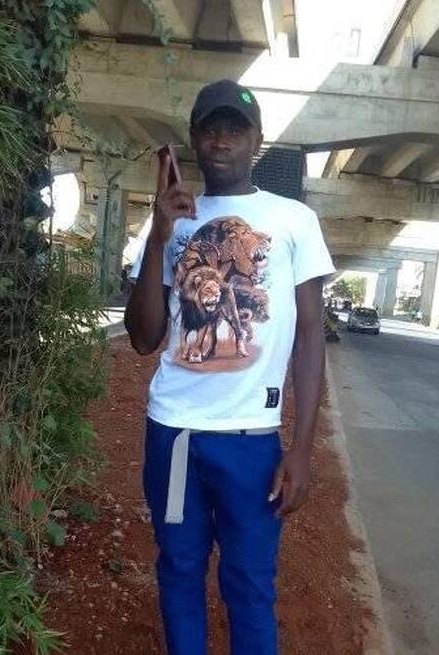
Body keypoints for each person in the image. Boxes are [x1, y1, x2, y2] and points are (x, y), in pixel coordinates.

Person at [125, 79, 335, 655]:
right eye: (210, 129)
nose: (221, 141)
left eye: (235, 130)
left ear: (256, 140)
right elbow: (143, 338)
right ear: (194, 138)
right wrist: (158, 237)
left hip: (251, 442)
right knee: (179, 570)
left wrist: (301, 448)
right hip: (175, 433)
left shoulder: (293, 220)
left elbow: (310, 336)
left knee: (249, 584)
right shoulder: (170, 220)